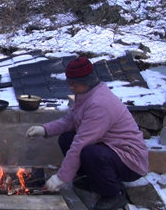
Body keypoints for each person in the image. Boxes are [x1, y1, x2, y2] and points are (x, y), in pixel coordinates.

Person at [26, 57, 148, 210]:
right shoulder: (86, 95)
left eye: (73, 84)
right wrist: (45, 129)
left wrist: (61, 177)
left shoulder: (100, 104)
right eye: (69, 83)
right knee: (66, 139)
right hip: (109, 147)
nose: (70, 87)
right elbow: (71, 120)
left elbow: (81, 143)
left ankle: (113, 195)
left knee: (90, 153)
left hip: (129, 160)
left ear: (86, 81)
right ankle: (90, 180)